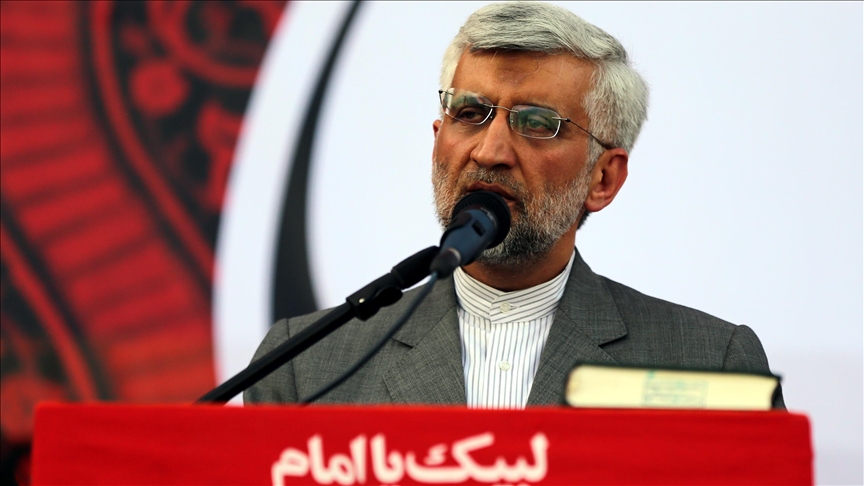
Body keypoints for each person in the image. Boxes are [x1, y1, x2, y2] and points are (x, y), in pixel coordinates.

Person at [244, 2, 784, 408]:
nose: (490, 151)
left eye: (537, 123)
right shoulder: (303, 366)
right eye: (470, 113)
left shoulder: (710, 364)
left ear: (603, 177)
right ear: (438, 139)